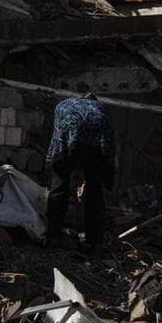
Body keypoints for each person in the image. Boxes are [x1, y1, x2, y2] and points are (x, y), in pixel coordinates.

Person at [45, 90, 114, 247]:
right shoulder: (101, 108)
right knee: (94, 190)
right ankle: (94, 240)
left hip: (67, 139)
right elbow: (109, 142)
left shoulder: (63, 105)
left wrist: (53, 161)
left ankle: (53, 235)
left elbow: (57, 133)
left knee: (59, 186)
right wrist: (108, 174)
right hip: (93, 144)